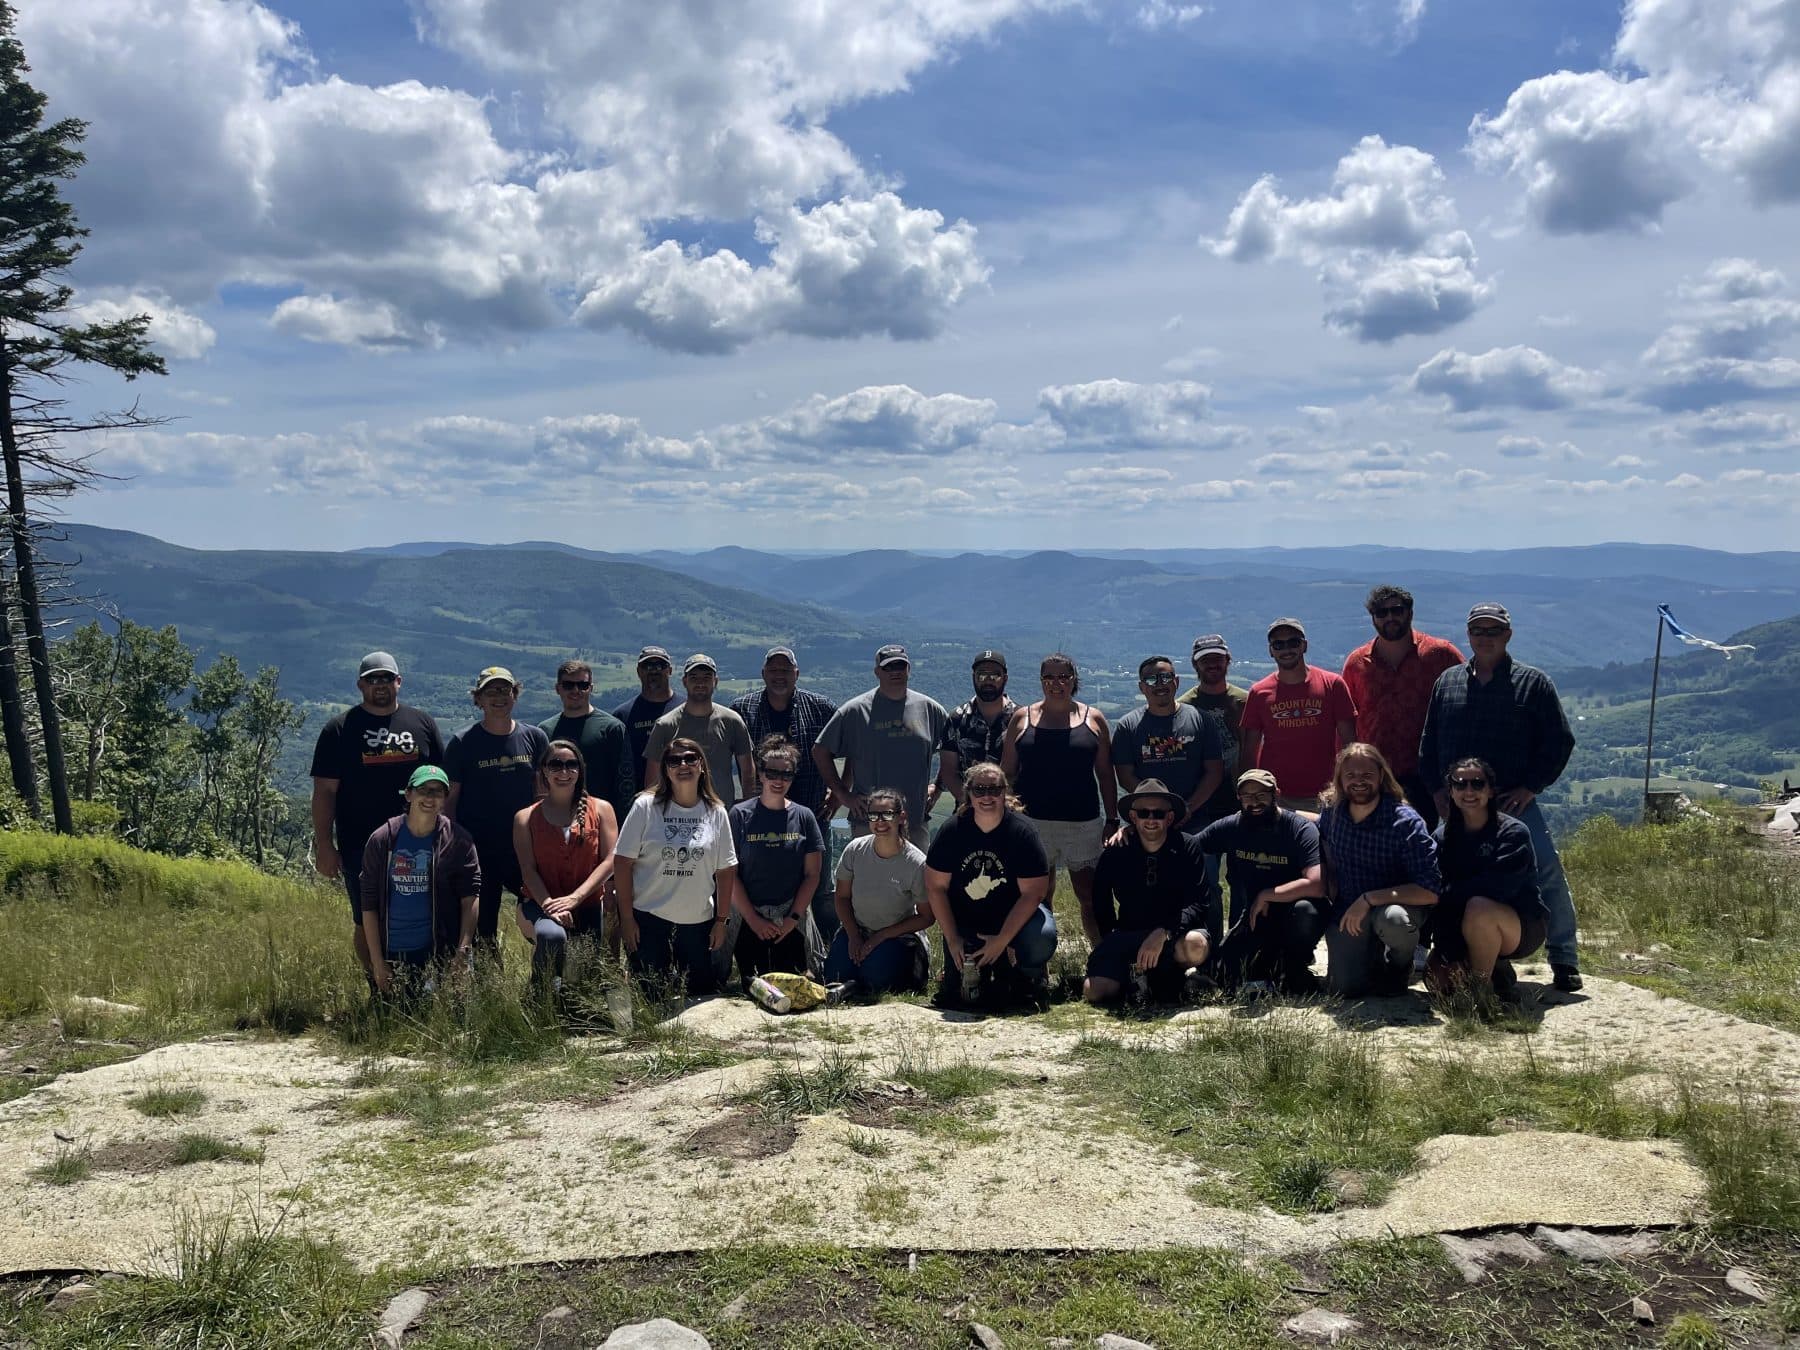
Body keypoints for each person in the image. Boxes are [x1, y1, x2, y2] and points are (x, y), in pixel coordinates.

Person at [1417, 602, 1584, 992]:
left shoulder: (1533, 683)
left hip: (1513, 803)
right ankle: (1456, 954)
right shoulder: (1448, 682)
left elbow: (1560, 740)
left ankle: (1563, 957)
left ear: (1508, 635)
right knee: (1447, 876)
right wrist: (1439, 790)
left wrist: (1531, 786)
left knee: (1546, 872)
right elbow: (1429, 741)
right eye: (1479, 631)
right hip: (1461, 804)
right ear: (1469, 635)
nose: (1485, 638)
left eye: (1494, 631)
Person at [310, 651, 444, 983]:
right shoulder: (339, 729)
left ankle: (420, 985)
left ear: (399, 682)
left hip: (421, 840)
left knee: (424, 913)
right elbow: (325, 792)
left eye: (386, 678)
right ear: (360, 685)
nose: (379, 685)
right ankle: (379, 985)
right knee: (367, 917)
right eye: (372, 679)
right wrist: (325, 845)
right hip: (360, 843)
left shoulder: (422, 723)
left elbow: (443, 782)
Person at [1002, 653, 1116, 946]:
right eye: (1049, 677)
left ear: (1074, 680)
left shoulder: (1094, 719)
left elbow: (1105, 774)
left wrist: (1113, 818)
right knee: (1038, 896)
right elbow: (1007, 774)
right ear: (1041, 681)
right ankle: (1039, 966)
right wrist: (1007, 818)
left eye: (1063, 676)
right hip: (1032, 822)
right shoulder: (1021, 718)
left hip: (1083, 823)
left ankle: (1102, 959)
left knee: (1090, 897)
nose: (1056, 683)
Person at [729, 646, 842, 937]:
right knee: (756, 885)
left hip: (813, 814)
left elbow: (852, 743)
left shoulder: (820, 707)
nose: (780, 675)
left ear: (797, 674)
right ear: (763, 673)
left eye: (786, 670)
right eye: (774, 670)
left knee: (820, 888)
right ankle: (753, 946)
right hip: (759, 817)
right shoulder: (742, 709)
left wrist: (840, 791)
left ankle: (826, 956)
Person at [924, 761, 1056, 1008]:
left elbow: (1034, 893)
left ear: (1004, 792)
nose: (987, 796)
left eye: (994, 790)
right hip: (967, 921)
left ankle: (1028, 978)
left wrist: (1003, 939)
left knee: (1042, 937)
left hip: (1016, 919)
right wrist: (952, 939)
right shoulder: (952, 831)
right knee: (965, 995)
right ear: (968, 793)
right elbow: (935, 888)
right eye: (980, 789)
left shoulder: (1023, 832)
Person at [613, 737, 738, 994]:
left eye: (690, 758)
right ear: (665, 768)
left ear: (701, 765)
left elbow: (726, 871)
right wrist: (626, 918)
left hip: (697, 922)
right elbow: (622, 864)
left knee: (695, 996)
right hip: (648, 920)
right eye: (674, 760)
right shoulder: (645, 807)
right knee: (650, 997)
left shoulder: (716, 812)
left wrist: (721, 921)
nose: (683, 764)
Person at [1315, 744, 1441, 998]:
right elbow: (1316, 828)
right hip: (1350, 909)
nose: (1358, 782)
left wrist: (1370, 898)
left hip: (1397, 906)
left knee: (1393, 920)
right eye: (1350, 775)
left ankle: (1399, 966)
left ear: (1381, 776)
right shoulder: (1333, 813)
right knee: (1344, 989)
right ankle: (1371, 960)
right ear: (1339, 779)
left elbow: (1430, 891)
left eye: (1367, 775)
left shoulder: (1406, 821)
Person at [1082, 779, 1219, 1005]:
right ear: (1133, 817)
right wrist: (1109, 941)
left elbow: (1199, 903)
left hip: (1174, 935)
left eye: (1158, 814)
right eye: (1144, 813)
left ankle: (1167, 978)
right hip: (1129, 933)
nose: (1151, 819)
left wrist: (1163, 931)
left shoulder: (1187, 846)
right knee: (1094, 992)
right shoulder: (1116, 851)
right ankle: (1143, 979)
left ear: (1170, 817)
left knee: (1196, 944)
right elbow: (1101, 900)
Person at [1425, 756, 1547, 1007]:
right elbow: (1435, 892)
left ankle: (1480, 992)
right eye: (1460, 784)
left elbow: (1498, 887)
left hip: (1520, 925)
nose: (1468, 791)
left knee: (1479, 907)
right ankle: (1497, 972)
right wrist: (1448, 952)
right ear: (1451, 791)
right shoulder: (1442, 837)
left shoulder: (1513, 833)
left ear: (1491, 791)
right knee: (1438, 981)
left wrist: (1448, 894)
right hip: (1463, 921)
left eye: (1477, 784)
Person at [1340, 586, 1464, 832]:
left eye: (1396, 610)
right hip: (1375, 775)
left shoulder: (1441, 654)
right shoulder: (1356, 663)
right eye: (1381, 612)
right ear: (1373, 617)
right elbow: (1346, 721)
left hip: (1429, 776)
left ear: (1410, 612)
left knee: (1429, 846)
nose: (1389, 617)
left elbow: (1468, 703)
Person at [445, 667, 550, 949]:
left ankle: (545, 980)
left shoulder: (535, 738)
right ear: (478, 699)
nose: (498, 697)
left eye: (505, 690)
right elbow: (450, 800)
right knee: (483, 929)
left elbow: (543, 794)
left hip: (525, 848)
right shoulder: (462, 743)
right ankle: (490, 985)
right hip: (479, 851)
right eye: (490, 691)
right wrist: (453, 846)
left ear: (515, 695)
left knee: (545, 917)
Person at [1196, 769, 1328, 994]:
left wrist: (1267, 894)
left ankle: (1295, 963)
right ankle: (1274, 966)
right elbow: (1188, 847)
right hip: (1256, 916)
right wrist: (1136, 831)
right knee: (1227, 972)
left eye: (1261, 794)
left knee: (1306, 912)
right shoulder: (1230, 826)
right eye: (1247, 796)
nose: (1254, 802)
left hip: (1293, 910)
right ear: (1238, 798)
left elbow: (1317, 884)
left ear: (1276, 793)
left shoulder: (1298, 828)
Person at [359, 765, 479, 999]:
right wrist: (376, 960)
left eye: (437, 791)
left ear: (445, 798)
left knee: (445, 1017)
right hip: (392, 951)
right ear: (409, 794)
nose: (430, 797)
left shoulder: (459, 841)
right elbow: (368, 904)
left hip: (436, 952)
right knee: (392, 1019)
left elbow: (471, 896)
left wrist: (463, 951)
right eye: (423, 789)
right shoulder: (383, 839)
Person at [813, 644, 948, 849]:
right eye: (888, 667)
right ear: (877, 672)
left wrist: (938, 787)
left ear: (908, 669)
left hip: (914, 822)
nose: (895, 671)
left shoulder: (929, 709)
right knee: (868, 881)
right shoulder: (855, 711)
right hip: (869, 823)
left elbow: (952, 749)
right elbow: (820, 751)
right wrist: (842, 795)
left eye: (900, 666)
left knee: (916, 881)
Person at [512, 739, 618, 994]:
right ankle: (540, 1002)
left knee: (584, 985)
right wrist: (550, 905)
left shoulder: (602, 809)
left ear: (580, 770)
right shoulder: (525, 818)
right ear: (544, 771)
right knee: (552, 938)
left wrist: (575, 898)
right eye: (556, 764)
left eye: (571, 765)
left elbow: (611, 860)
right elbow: (528, 870)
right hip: (538, 904)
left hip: (588, 905)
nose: (564, 771)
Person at [726, 735, 826, 981]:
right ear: (761, 774)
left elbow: (812, 875)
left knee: (806, 978)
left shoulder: (804, 817)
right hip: (747, 911)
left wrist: (792, 919)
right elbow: (728, 873)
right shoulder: (739, 815)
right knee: (734, 978)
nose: (779, 780)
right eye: (772, 773)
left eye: (786, 774)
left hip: (791, 911)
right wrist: (754, 919)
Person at [823, 787, 933, 999]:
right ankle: (851, 983)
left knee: (876, 979)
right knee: (834, 975)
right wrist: (854, 934)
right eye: (873, 815)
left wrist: (881, 936)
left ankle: (860, 984)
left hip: (896, 936)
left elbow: (927, 917)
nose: (880, 821)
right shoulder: (855, 849)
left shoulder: (916, 863)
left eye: (887, 815)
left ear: (901, 817)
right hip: (858, 929)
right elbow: (842, 898)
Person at [1239, 619, 1357, 811]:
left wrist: (1346, 786)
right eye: (1279, 644)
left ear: (1304, 645)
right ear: (1271, 650)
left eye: (1293, 642)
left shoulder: (1333, 684)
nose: (1286, 649)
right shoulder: (1259, 693)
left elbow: (1350, 744)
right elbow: (1249, 751)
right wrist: (1251, 795)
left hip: (1326, 794)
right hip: (1275, 796)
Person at [1111, 655, 1224, 833]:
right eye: (1151, 679)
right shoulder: (1127, 726)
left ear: (1176, 682)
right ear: (1142, 687)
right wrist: (1157, 808)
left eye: (1166, 677)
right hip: (1148, 822)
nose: (1160, 684)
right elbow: (1125, 777)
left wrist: (1186, 808)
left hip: (1196, 822)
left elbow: (1214, 772)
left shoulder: (1201, 720)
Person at [645, 654, 755, 801]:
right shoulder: (665, 725)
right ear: (684, 682)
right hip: (675, 816)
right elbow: (652, 781)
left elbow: (748, 772)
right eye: (694, 678)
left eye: (706, 677)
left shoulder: (732, 721)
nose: (700, 683)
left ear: (715, 681)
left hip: (721, 813)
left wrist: (747, 813)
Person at [540, 659, 636, 826]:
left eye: (583, 685)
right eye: (569, 685)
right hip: (555, 824)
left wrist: (622, 828)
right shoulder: (545, 731)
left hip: (603, 822)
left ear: (591, 688)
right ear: (558, 688)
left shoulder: (612, 728)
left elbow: (625, 784)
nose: (576, 690)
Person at [1177, 634, 1248, 830]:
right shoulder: (1184, 706)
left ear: (1228, 660)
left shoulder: (1244, 702)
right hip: (1200, 805)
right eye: (1205, 660)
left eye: (1218, 658)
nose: (1212, 664)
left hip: (1240, 799)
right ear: (1195, 664)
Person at [938, 650, 1017, 805]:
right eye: (981, 675)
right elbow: (948, 772)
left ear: (1005, 679)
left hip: (1011, 812)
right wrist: (971, 804)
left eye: (995, 675)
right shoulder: (956, 718)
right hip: (967, 810)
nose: (988, 681)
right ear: (973, 678)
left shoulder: (1020, 719)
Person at [611, 646, 681, 789]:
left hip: (681, 797)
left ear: (670, 670)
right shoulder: (622, 715)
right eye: (647, 666)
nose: (654, 670)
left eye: (660, 665)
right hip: (635, 798)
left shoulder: (685, 709)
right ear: (638, 671)